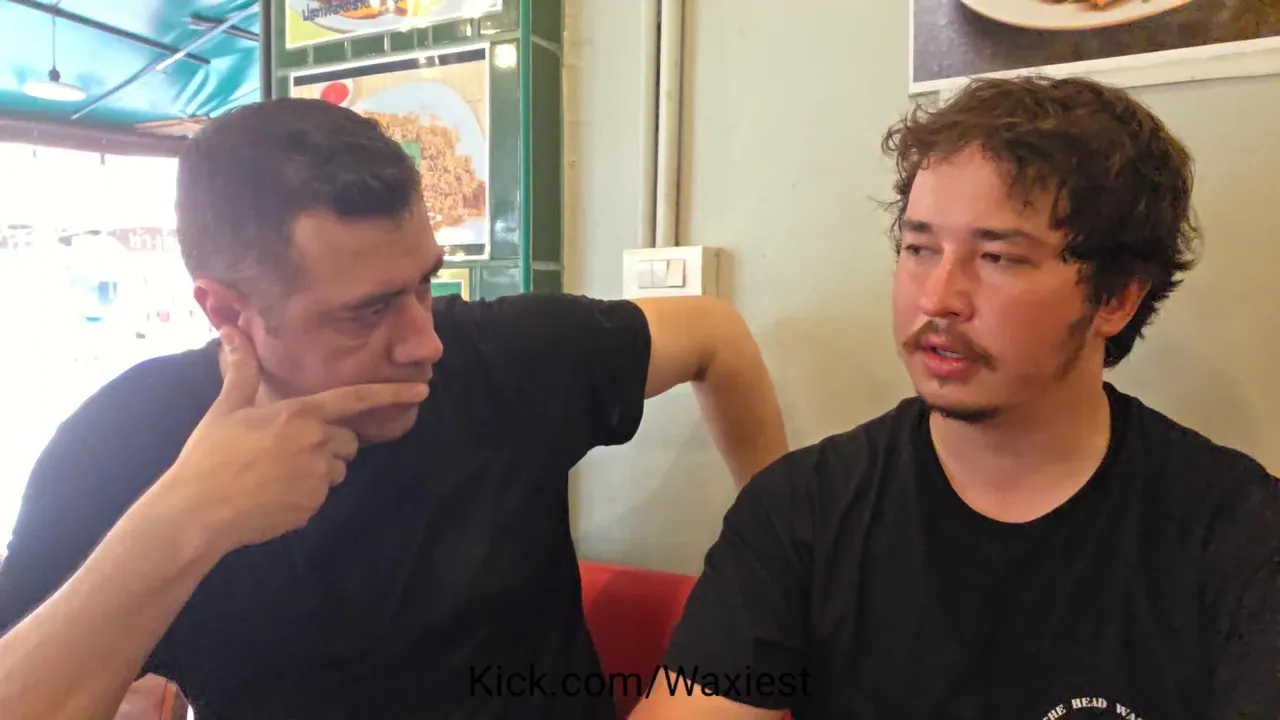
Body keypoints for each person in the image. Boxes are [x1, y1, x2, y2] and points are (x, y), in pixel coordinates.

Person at [0, 98, 788, 720]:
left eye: (424, 283)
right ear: (227, 313)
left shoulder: (500, 356)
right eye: (369, 310)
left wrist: (779, 565)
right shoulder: (128, 442)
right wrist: (186, 522)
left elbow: (714, 335)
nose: (423, 341)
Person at [630, 75, 1280, 719]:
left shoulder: (1237, 533)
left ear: (1116, 298)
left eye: (998, 258)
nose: (938, 297)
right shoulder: (802, 511)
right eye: (919, 248)